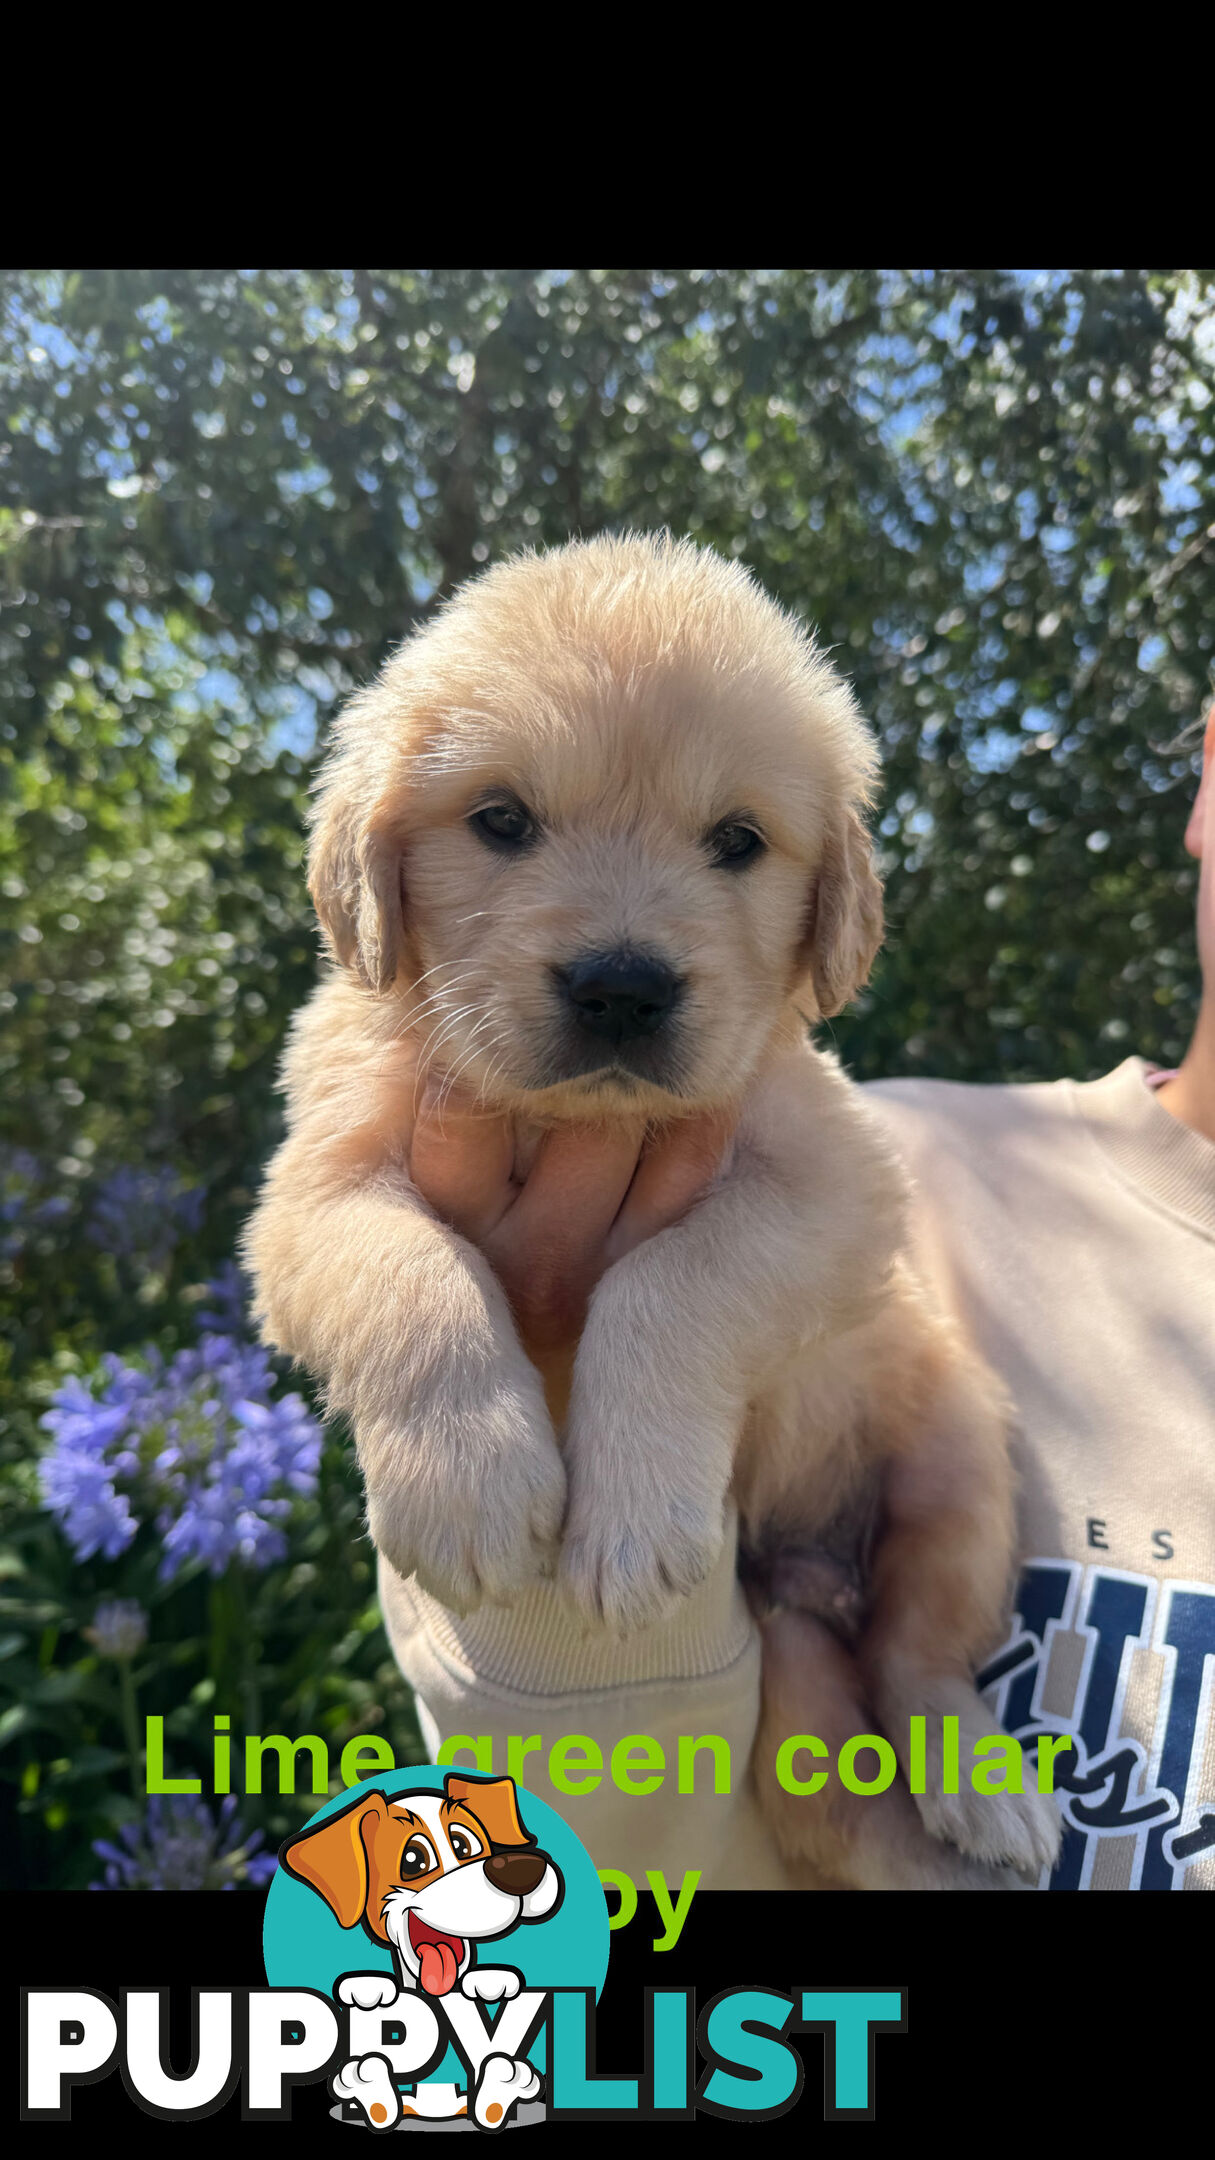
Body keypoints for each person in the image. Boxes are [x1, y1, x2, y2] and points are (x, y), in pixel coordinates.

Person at [386, 705, 1214, 1892]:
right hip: (689, 1862)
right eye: (506, 822)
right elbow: (599, 1859)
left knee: (949, 1458)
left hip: (872, 1502)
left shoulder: (819, 1146)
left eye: (731, 844)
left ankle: (927, 1688)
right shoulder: (922, 1155)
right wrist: (494, 1377)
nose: (626, 937)